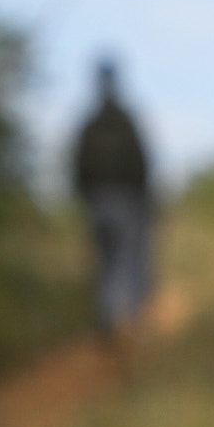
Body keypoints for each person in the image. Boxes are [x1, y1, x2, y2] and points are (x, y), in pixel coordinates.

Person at [71, 57, 155, 335]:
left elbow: (77, 166)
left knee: (107, 262)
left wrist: (83, 198)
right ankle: (121, 320)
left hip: (99, 202)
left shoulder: (91, 123)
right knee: (124, 262)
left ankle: (110, 318)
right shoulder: (124, 121)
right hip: (124, 202)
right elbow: (142, 164)